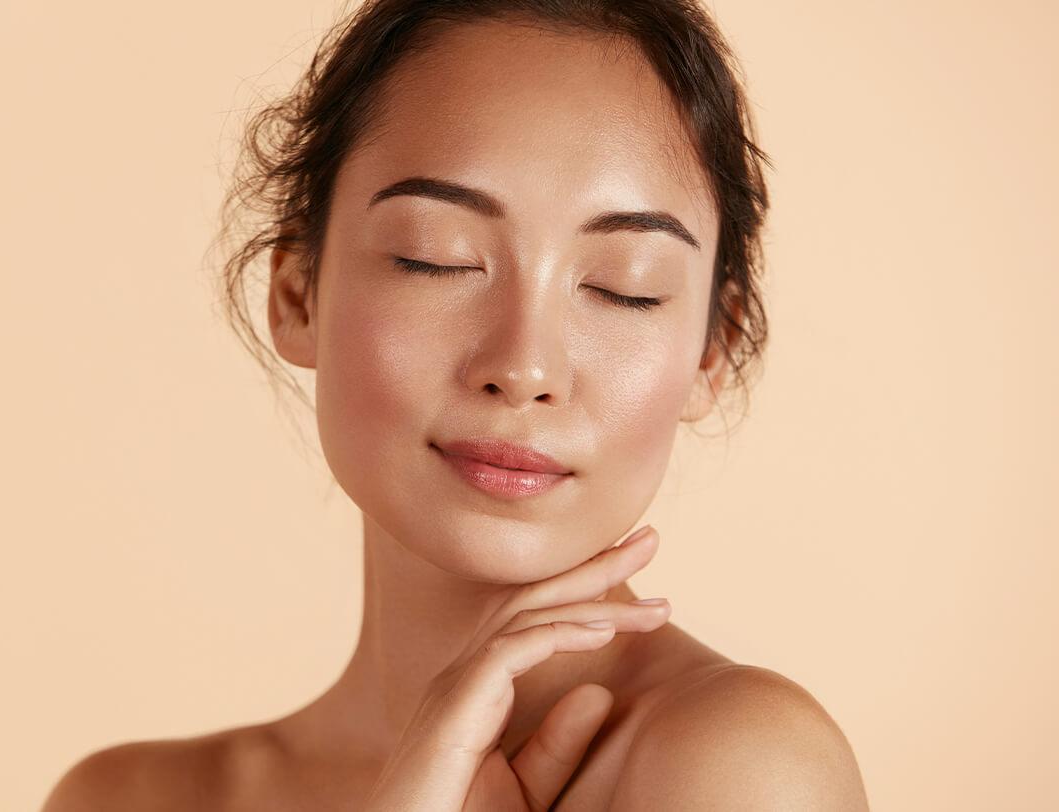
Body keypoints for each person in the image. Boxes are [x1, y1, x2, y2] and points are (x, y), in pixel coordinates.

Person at [42, 1, 869, 809]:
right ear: (297, 294)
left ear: (710, 353)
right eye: (433, 259)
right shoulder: (126, 798)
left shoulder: (742, 768)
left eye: (625, 289)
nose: (524, 367)